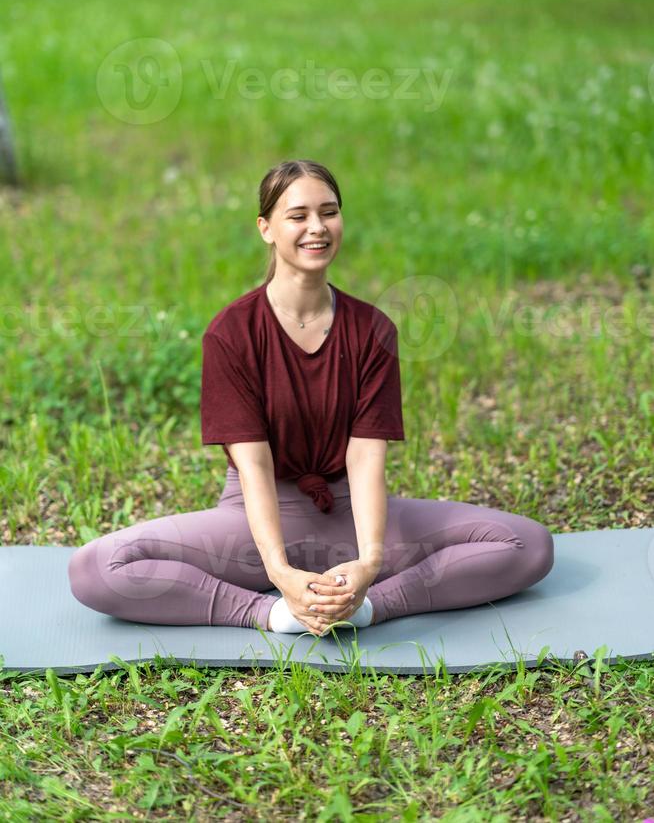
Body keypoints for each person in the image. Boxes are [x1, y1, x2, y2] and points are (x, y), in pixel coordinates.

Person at [68, 159, 554, 638]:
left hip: (351, 516)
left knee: (527, 544)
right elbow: (254, 465)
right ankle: (273, 615)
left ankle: (364, 610)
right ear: (266, 228)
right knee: (96, 567)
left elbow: (365, 457)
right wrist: (279, 573)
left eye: (330, 212)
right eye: (298, 215)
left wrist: (368, 565)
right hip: (251, 527)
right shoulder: (231, 332)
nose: (317, 227)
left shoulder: (372, 329)